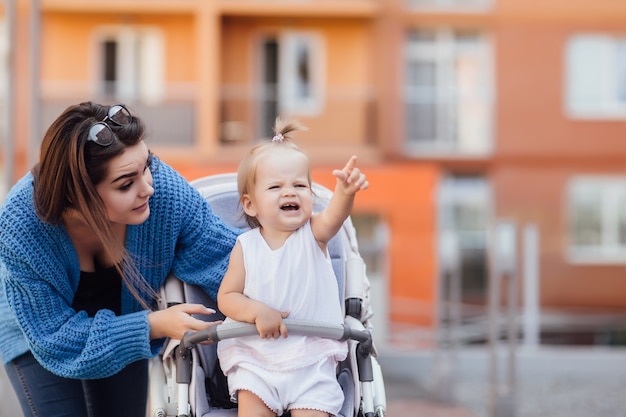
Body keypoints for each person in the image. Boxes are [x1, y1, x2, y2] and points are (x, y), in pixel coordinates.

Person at [0, 101, 240, 417]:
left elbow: (227, 261)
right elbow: (55, 339)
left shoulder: (165, 192)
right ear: (77, 195)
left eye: (148, 165)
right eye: (126, 184)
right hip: (40, 333)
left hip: (126, 317)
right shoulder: (21, 227)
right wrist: (153, 324)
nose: (148, 188)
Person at [216, 118, 369, 417]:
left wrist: (345, 194)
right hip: (257, 359)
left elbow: (334, 216)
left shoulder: (314, 234)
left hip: (311, 359)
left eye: (300, 185)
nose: (290, 192)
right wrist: (257, 311)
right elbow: (228, 297)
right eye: (275, 187)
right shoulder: (246, 247)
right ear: (250, 205)